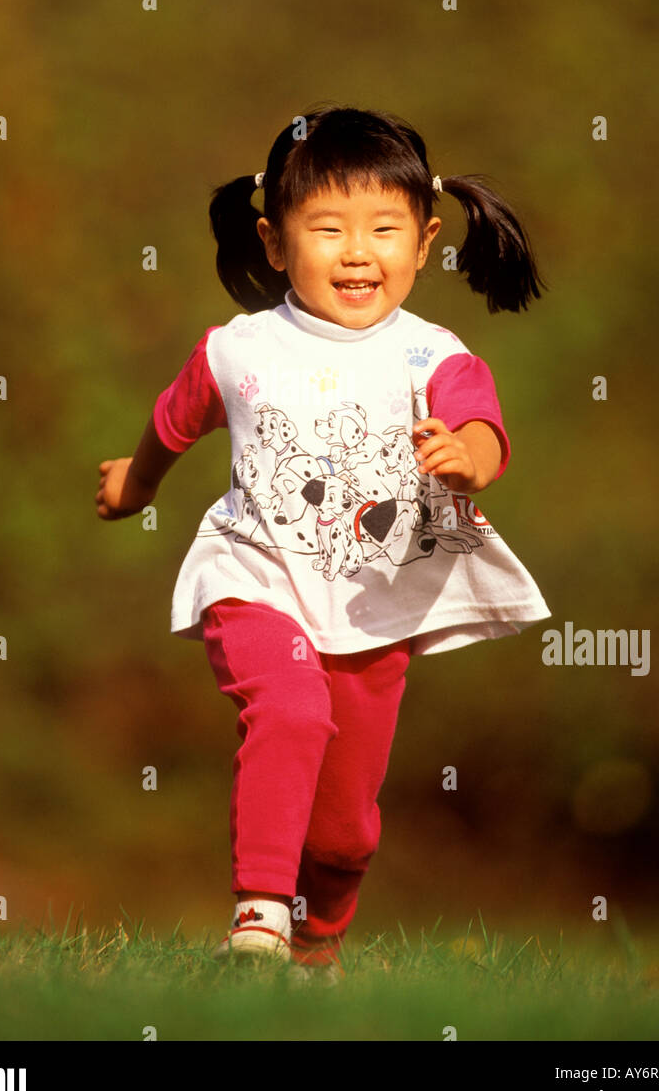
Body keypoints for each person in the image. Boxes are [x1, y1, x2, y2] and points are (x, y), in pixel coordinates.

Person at [95, 104, 552, 979]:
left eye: (383, 229)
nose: (356, 252)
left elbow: (483, 425)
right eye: (328, 228)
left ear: (424, 245)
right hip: (253, 574)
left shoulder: (433, 356)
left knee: (346, 831)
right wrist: (139, 480)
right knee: (291, 706)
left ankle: (318, 941)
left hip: (374, 609)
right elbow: (174, 419)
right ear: (274, 243)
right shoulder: (239, 350)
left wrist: (470, 461)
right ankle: (259, 921)